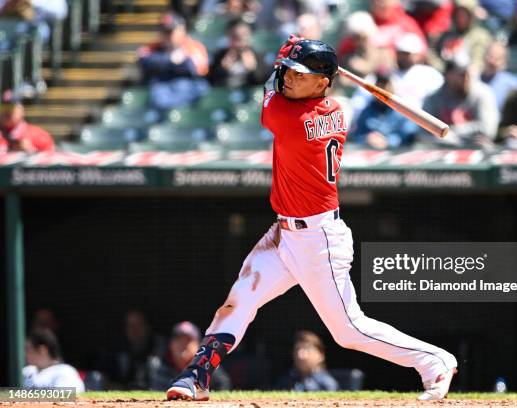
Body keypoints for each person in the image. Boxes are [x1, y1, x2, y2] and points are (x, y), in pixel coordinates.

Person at [165, 37, 457, 402]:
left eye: (299, 74)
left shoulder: (291, 117)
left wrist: (288, 55)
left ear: (322, 82)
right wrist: (301, 56)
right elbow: (285, 80)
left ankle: (434, 361)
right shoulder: (332, 108)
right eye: (289, 71)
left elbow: (268, 89)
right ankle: (196, 377)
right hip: (285, 234)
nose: (288, 77)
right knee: (238, 302)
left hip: (319, 240)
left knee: (349, 330)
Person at [421, 54, 499, 147]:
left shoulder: (482, 93)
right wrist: (451, 139)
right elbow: (423, 133)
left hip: (475, 149)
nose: (466, 78)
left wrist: (448, 132)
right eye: (462, 74)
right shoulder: (433, 98)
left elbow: (488, 129)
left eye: (468, 73)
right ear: (448, 75)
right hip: (441, 150)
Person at [137, 12, 209, 111]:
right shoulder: (152, 47)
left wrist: (163, 62)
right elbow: (144, 61)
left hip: (189, 88)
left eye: (170, 31)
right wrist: (171, 60)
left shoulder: (194, 46)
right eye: (164, 32)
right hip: (161, 88)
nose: (167, 36)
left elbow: (196, 69)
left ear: (182, 30)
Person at [148, 321, 231, 391]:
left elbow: (224, 386)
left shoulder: (208, 365)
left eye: (188, 340)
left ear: (199, 345)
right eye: (178, 340)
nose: (182, 345)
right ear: (171, 344)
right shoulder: (156, 365)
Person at [352, 70, 419, 149]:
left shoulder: (403, 108)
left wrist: (387, 141)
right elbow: (357, 135)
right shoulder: (367, 110)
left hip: (397, 155)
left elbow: (409, 135)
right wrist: (367, 139)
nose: (381, 88)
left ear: (393, 86)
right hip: (370, 154)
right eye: (379, 84)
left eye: (385, 84)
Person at [104, 309, 166, 389]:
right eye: (130, 325)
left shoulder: (160, 345)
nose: (134, 329)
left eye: (138, 324)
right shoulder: (118, 349)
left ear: (147, 327)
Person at [208, 19, 269, 88]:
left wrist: (252, 70)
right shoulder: (221, 55)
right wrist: (222, 70)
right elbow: (212, 81)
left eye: (244, 35)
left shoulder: (258, 55)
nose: (240, 39)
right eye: (235, 36)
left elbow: (262, 82)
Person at [480, 41, 517, 113]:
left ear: (504, 62)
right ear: (484, 56)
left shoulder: (512, 84)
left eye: (498, 58)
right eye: (490, 56)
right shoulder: (472, 79)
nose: (492, 62)